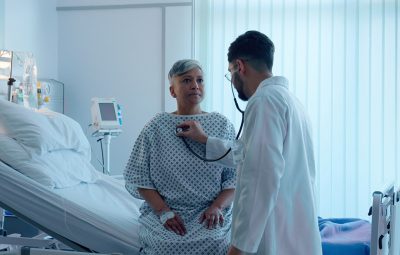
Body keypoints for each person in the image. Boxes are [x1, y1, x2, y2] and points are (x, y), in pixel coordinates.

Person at [176, 31, 323, 255]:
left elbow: (260, 178)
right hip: (295, 232)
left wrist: (238, 247)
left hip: (275, 235)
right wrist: (205, 140)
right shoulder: (291, 101)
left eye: (230, 73)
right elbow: (249, 154)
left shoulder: (264, 101)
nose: (232, 82)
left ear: (239, 66)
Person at [123, 59, 237, 255]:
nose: (195, 85)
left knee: (217, 242)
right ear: (172, 91)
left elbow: (235, 176)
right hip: (168, 211)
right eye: (186, 80)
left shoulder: (221, 124)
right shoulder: (156, 127)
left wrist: (217, 207)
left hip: (209, 211)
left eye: (200, 80)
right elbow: (139, 176)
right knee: (164, 246)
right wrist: (163, 211)